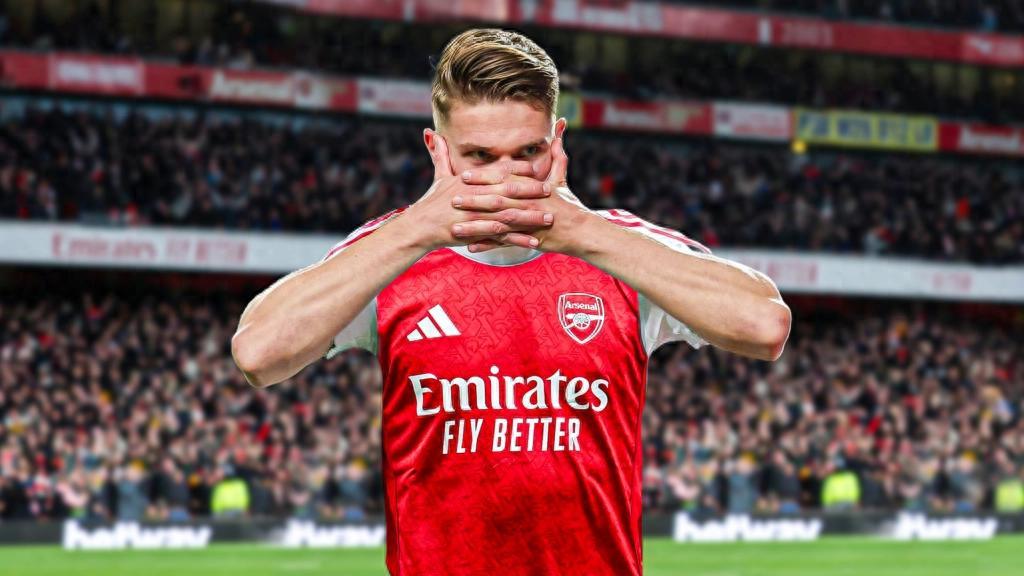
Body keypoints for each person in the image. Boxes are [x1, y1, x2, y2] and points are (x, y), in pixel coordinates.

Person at [232, 28, 791, 576]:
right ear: (437, 150)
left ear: (558, 142)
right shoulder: (392, 252)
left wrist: (582, 233)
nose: (506, 177)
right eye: (479, 155)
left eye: (529, 152)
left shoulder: (618, 248)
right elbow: (258, 353)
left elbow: (765, 325)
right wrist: (415, 231)